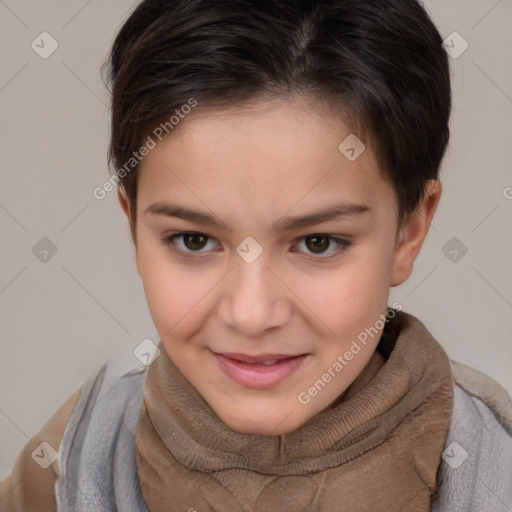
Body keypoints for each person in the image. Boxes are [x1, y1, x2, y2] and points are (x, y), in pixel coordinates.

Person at [1, 0, 511, 510]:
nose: (250, 314)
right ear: (133, 225)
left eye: (317, 243)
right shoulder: (70, 462)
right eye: (193, 240)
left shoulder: (492, 467)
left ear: (410, 231)